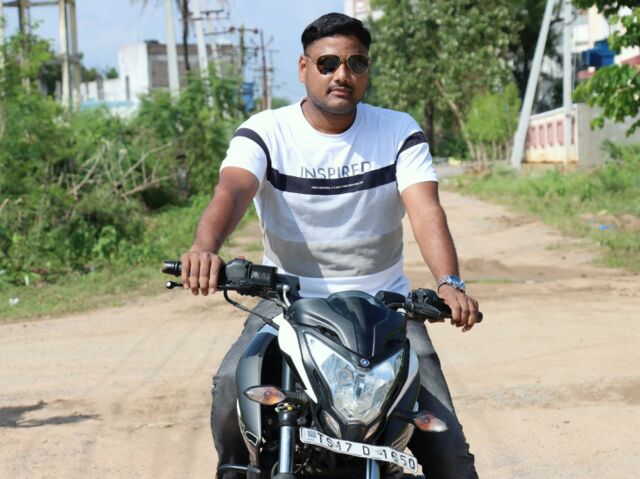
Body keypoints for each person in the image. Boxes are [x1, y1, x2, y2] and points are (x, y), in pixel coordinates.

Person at [180, 12, 480, 479]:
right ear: (304, 68)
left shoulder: (397, 131)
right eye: (328, 63)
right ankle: (236, 470)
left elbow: (426, 211)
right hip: (288, 302)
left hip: (385, 306)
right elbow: (233, 190)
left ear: (367, 71)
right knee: (229, 383)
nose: (342, 74)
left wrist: (449, 282)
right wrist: (204, 247)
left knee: (450, 454)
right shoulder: (266, 131)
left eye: (356, 63)